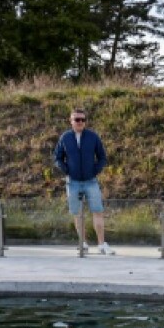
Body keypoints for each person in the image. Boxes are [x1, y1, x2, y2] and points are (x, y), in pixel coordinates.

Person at [53, 108, 114, 254]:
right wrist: (66, 169)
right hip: (72, 182)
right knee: (77, 213)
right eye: (77, 119)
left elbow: (102, 157)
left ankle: (101, 244)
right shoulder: (65, 137)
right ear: (71, 121)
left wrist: (95, 170)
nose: (80, 122)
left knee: (97, 211)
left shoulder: (93, 137)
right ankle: (83, 243)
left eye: (83, 120)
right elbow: (57, 157)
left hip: (90, 181)